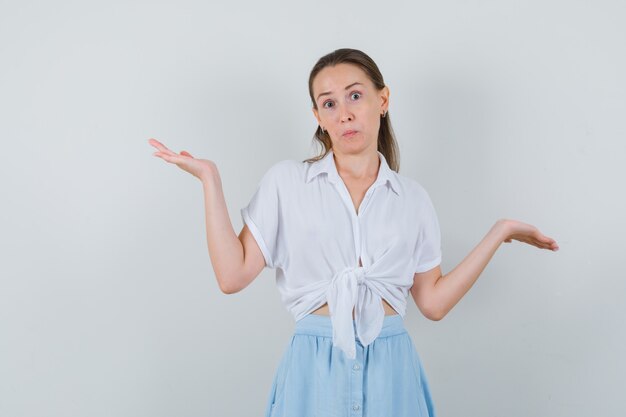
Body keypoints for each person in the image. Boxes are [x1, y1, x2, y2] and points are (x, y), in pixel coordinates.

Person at [148, 48, 559, 417]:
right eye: (329, 103)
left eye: (355, 96)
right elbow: (231, 276)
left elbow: (432, 303)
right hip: (314, 367)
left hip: (392, 370)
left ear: (383, 100)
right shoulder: (287, 183)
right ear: (319, 118)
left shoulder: (412, 199)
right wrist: (210, 180)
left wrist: (498, 233)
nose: (343, 112)